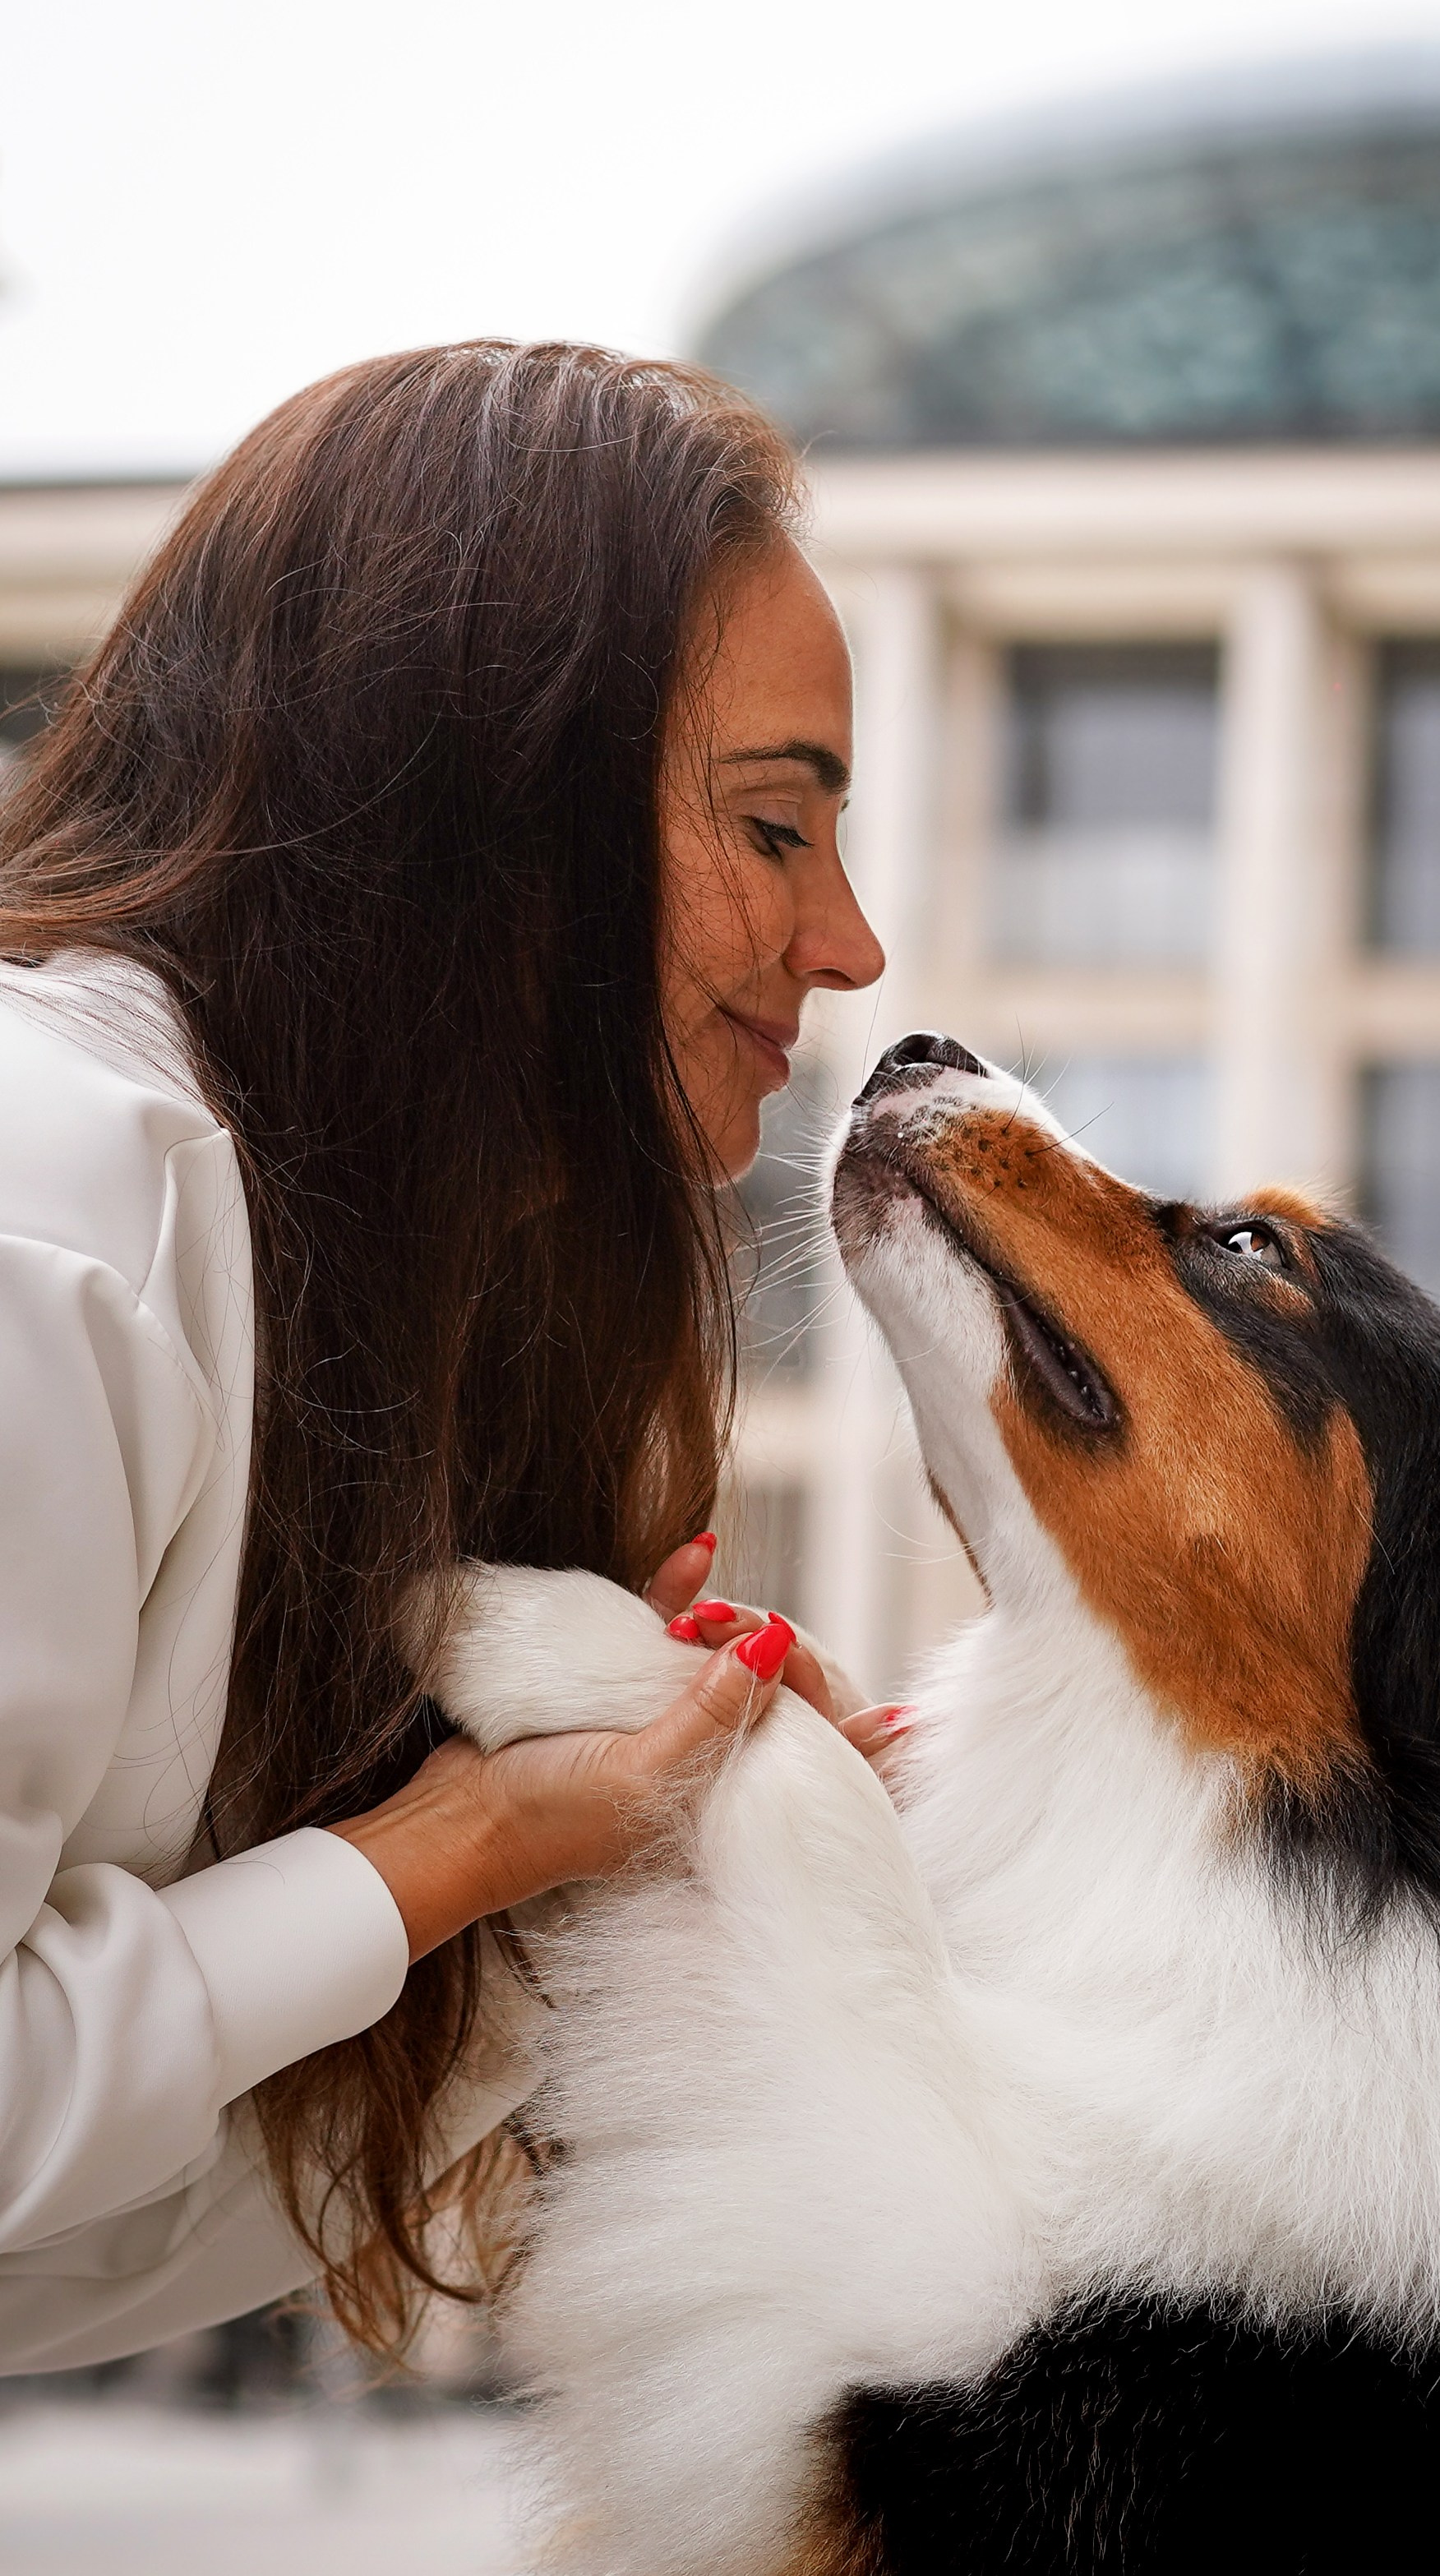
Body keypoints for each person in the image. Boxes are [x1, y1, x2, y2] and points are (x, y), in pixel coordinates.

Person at [0, 340, 888, 2370]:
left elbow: (74, 2241)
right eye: (774, 826)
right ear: (489, 815)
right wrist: (458, 1845)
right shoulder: (49, 1215)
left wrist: (636, 1843)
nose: (850, 941)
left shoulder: (331, 1275)